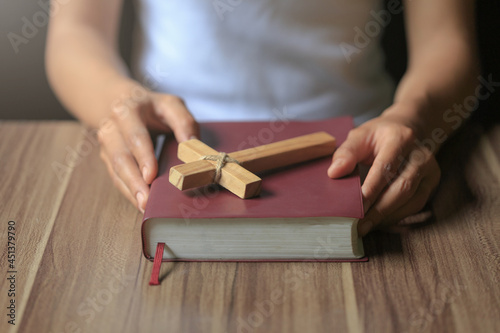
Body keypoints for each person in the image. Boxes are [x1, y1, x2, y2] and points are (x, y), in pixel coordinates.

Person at [45, 0, 478, 236]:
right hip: (167, 145)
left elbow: (446, 39)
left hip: (360, 151)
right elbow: (74, 33)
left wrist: (412, 118)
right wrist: (116, 101)